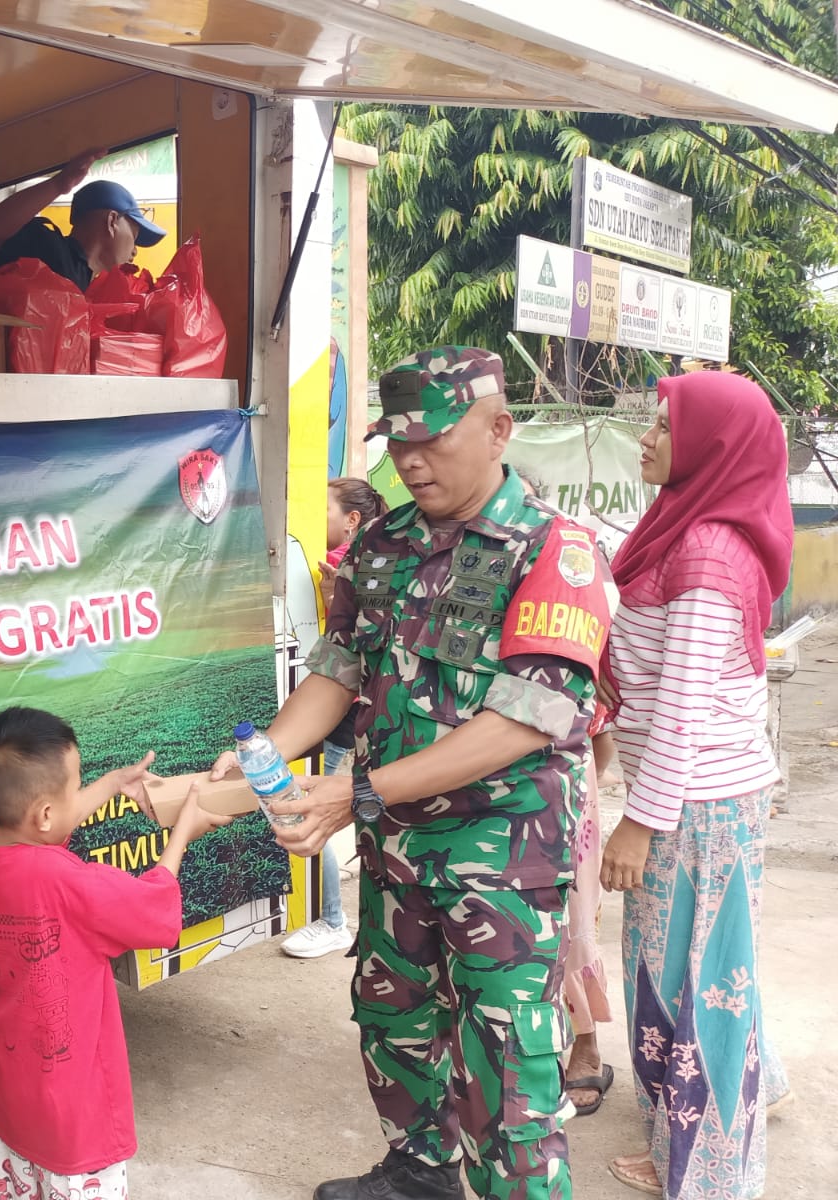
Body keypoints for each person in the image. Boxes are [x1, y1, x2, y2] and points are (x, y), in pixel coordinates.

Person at [214, 346, 613, 1200]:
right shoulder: (384, 542)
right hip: (399, 850)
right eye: (394, 443)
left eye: (430, 438)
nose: (409, 460)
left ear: (499, 428)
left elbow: (521, 721)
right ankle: (421, 1174)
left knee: (507, 1067)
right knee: (394, 1021)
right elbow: (339, 670)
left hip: (502, 857)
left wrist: (354, 792)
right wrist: (268, 756)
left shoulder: (553, 550)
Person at [598, 373, 793, 1199]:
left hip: (695, 802)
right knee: (709, 964)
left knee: (694, 978)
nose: (646, 439)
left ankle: (710, 1168)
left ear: (712, 447)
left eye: (664, 427)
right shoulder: (682, 528)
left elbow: (680, 710)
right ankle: (757, 1086)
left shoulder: (707, 552)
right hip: (698, 794)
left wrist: (635, 825)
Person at [0, 707, 227, 1200]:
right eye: (76, 784)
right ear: (46, 813)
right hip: (76, 1118)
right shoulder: (68, 883)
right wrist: (180, 837)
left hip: (12, 1096)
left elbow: (41, 827)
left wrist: (108, 784)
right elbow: (153, 911)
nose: (81, 791)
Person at [513, 466, 619, 1119]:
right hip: (480, 785)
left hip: (559, 773)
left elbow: (600, 714)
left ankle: (584, 1048)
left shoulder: (571, 565)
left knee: (571, 921)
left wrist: (583, 793)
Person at [281, 477, 389, 961]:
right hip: (338, 707)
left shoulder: (349, 561)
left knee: (313, 801)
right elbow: (339, 661)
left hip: (343, 712)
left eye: (321, 508)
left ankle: (330, 918)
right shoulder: (368, 556)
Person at [0, 148, 166, 292]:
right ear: (112, 221)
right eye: (134, 235)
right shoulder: (48, 248)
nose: (135, 251)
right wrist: (59, 184)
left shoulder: (94, 287)